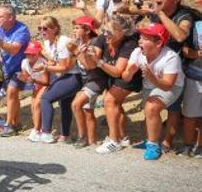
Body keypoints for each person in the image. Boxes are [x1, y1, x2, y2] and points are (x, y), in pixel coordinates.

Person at [145, 0, 196, 152]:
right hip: (159, 63)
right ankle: (154, 139)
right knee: (159, 104)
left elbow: (181, 35)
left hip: (180, 66)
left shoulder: (184, 16)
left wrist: (161, 15)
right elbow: (131, 11)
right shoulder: (157, 11)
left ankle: (167, 142)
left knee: (174, 108)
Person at [122, 23, 184, 160]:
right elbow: (125, 78)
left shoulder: (171, 57)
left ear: (159, 43)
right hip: (150, 85)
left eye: (145, 38)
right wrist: (130, 72)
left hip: (172, 86)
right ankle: (150, 140)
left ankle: (153, 145)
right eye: (140, 37)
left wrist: (152, 77)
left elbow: (168, 85)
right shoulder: (137, 52)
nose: (140, 41)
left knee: (151, 107)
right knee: (148, 112)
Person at [91, 16, 141, 153]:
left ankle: (114, 141)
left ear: (122, 32)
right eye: (104, 31)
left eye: (109, 32)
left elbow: (117, 72)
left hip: (130, 76)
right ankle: (123, 137)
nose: (105, 34)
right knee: (115, 104)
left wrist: (98, 61)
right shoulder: (103, 37)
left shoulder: (129, 44)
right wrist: (80, 53)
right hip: (111, 73)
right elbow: (90, 63)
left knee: (110, 100)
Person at [36, 16, 84, 143]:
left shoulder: (63, 41)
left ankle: (46, 132)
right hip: (66, 76)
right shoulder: (47, 43)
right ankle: (64, 135)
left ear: (55, 29)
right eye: (39, 28)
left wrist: (46, 67)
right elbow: (54, 61)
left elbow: (64, 67)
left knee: (46, 98)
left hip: (74, 76)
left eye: (44, 28)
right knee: (65, 104)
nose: (41, 31)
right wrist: (44, 63)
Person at [0, 6, 31, 136]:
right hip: (7, 67)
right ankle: (15, 122)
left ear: (11, 18)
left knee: (12, 91)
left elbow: (14, 50)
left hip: (22, 67)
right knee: (11, 96)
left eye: (1, 16)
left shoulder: (22, 30)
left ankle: (8, 125)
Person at [70, 16, 104, 148]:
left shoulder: (94, 42)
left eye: (77, 28)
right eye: (74, 27)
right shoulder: (78, 43)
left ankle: (82, 136)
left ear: (88, 30)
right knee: (88, 111)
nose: (74, 30)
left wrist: (76, 52)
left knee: (76, 104)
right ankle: (92, 141)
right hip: (86, 81)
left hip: (96, 81)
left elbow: (90, 66)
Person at [178, 13, 202, 158]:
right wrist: (198, 54)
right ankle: (187, 145)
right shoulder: (196, 26)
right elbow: (185, 51)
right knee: (189, 114)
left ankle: (200, 146)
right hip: (194, 76)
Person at [20, 41, 50, 142]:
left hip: (46, 85)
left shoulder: (42, 62)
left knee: (37, 104)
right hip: (36, 85)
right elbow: (26, 76)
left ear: (38, 53)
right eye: (28, 53)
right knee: (33, 106)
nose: (30, 55)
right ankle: (38, 128)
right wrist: (24, 78)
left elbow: (46, 82)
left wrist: (34, 81)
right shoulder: (24, 62)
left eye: (33, 53)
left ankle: (36, 130)